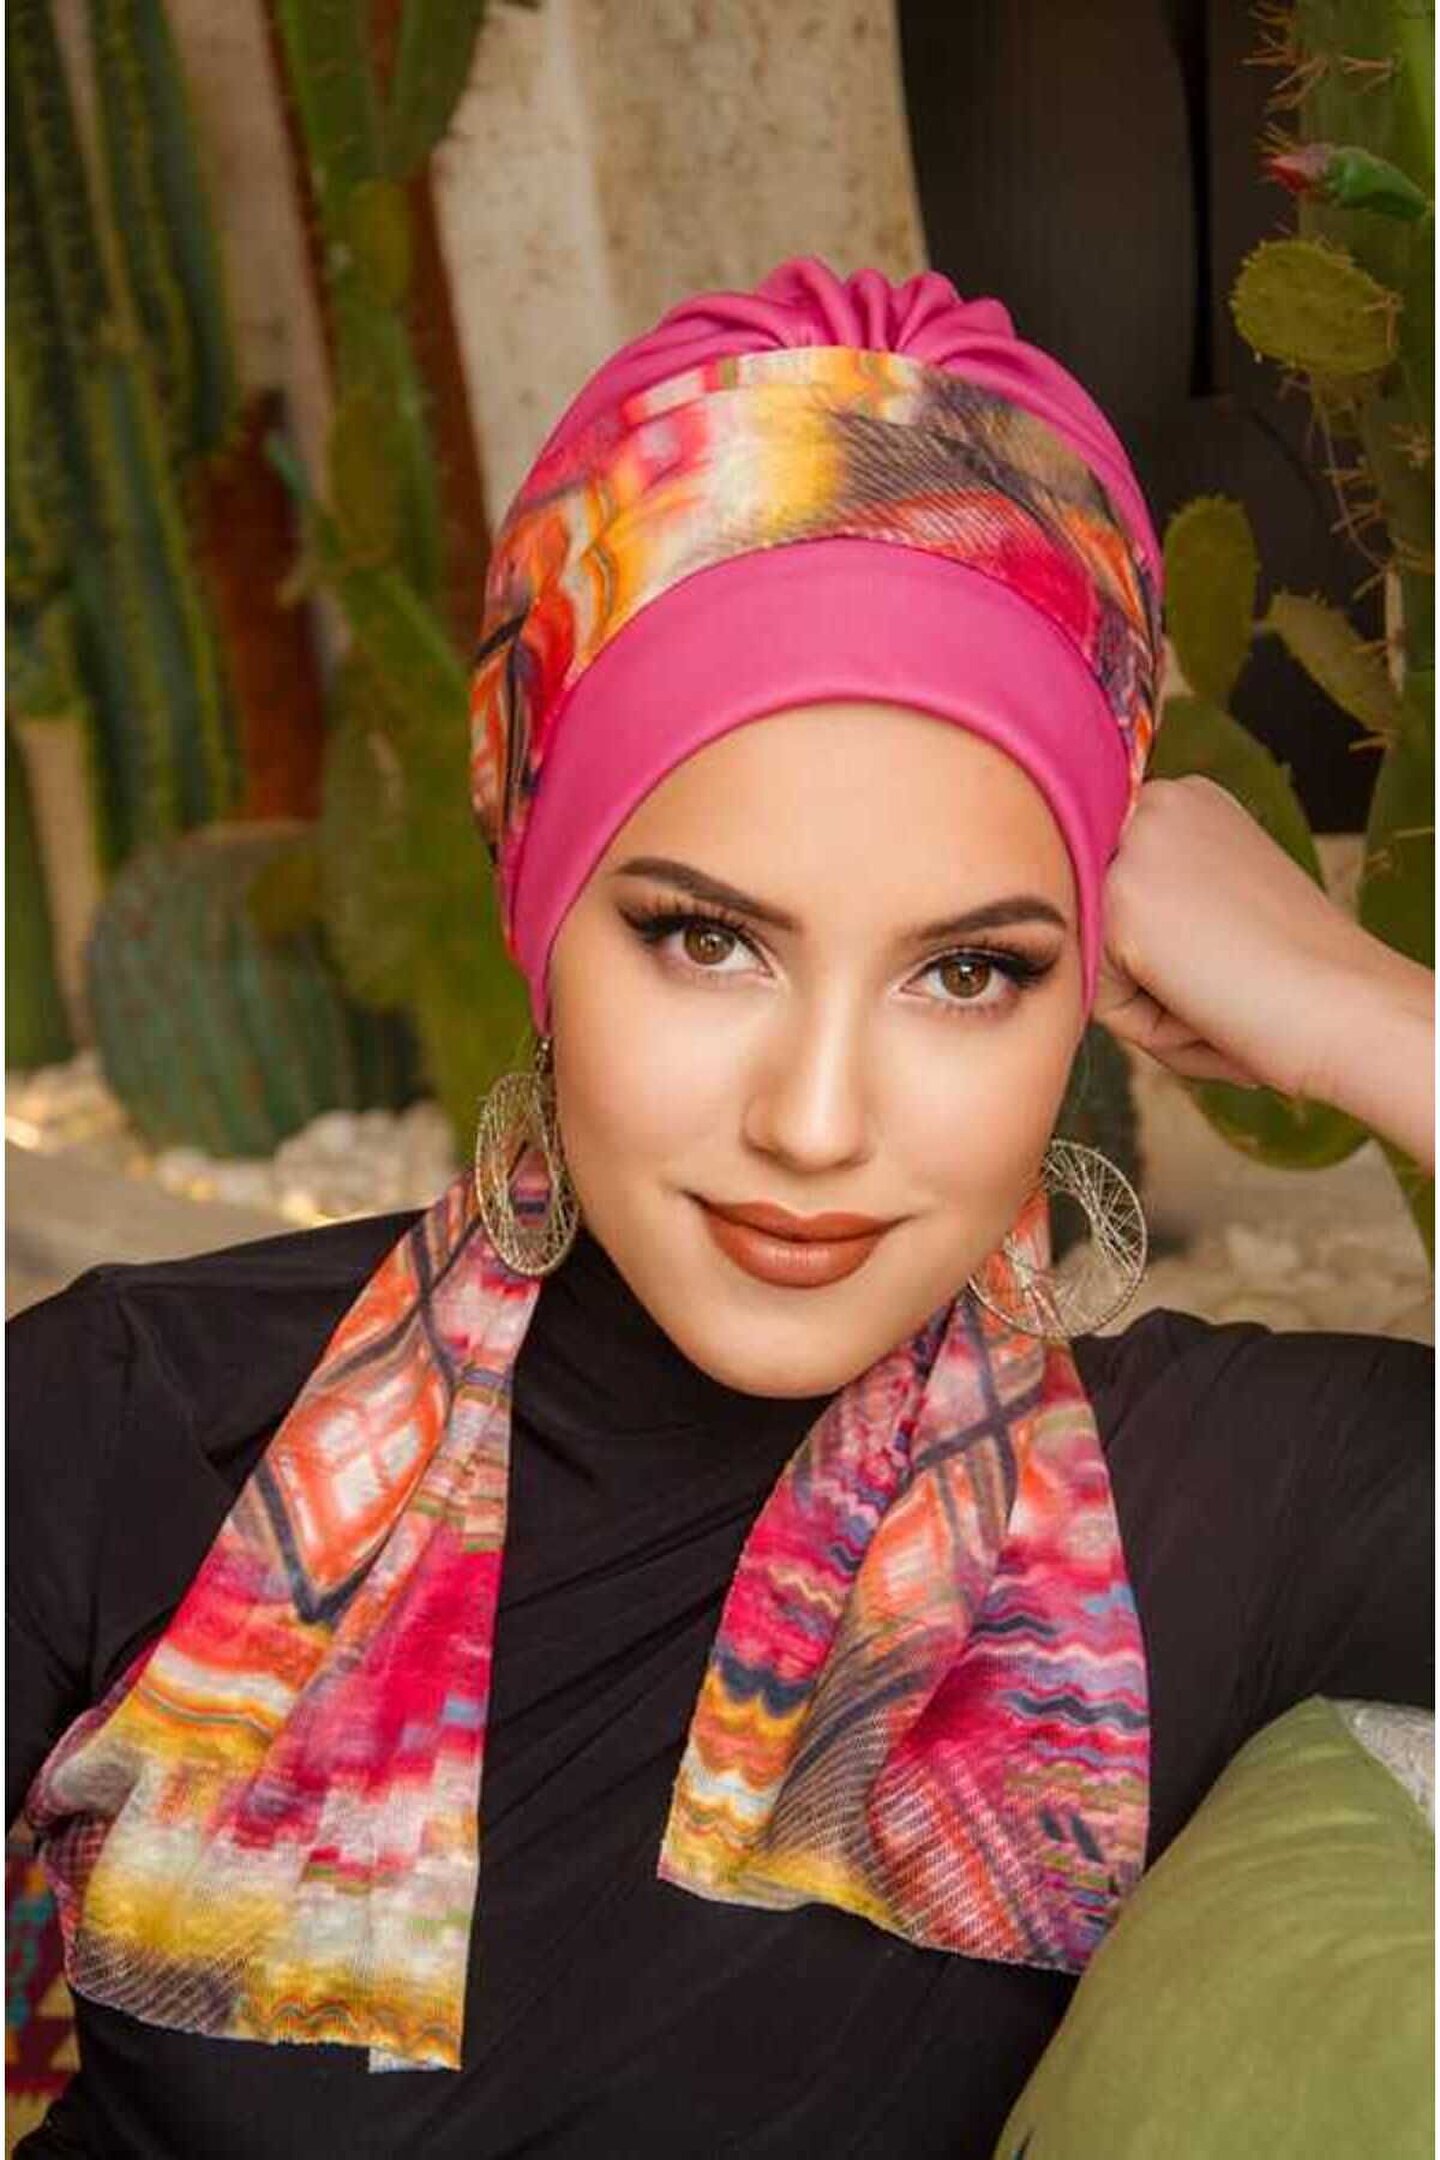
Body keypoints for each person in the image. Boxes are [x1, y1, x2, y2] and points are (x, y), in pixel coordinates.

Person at [7, 257, 1432, 2160]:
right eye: (705, 940)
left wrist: (1365, 1017)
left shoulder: (1213, 1513)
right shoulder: (133, 1418)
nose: (815, 1123)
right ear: (539, 906)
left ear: (1086, 986)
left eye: (971, 972)